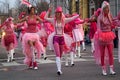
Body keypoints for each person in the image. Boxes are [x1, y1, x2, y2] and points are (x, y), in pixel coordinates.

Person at [45, 6, 79, 75]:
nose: (58, 14)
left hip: (62, 38)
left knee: (60, 54)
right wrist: (48, 11)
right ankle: (59, 70)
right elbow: (45, 18)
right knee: (57, 54)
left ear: (61, 14)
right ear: (55, 14)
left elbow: (72, 18)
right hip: (55, 38)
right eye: (57, 13)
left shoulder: (64, 20)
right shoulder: (53, 20)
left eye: (59, 13)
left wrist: (78, 15)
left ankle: (59, 67)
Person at [97, 1, 116, 75]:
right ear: (103, 9)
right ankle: (103, 69)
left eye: (108, 8)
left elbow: (112, 24)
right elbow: (98, 28)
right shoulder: (100, 17)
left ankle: (111, 69)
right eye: (105, 8)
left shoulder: (110, 15)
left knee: (111, 53)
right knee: (102, 54)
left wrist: (115, 26)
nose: (107, 10)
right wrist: (99, 36)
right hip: (102, 36)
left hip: (109, 35)